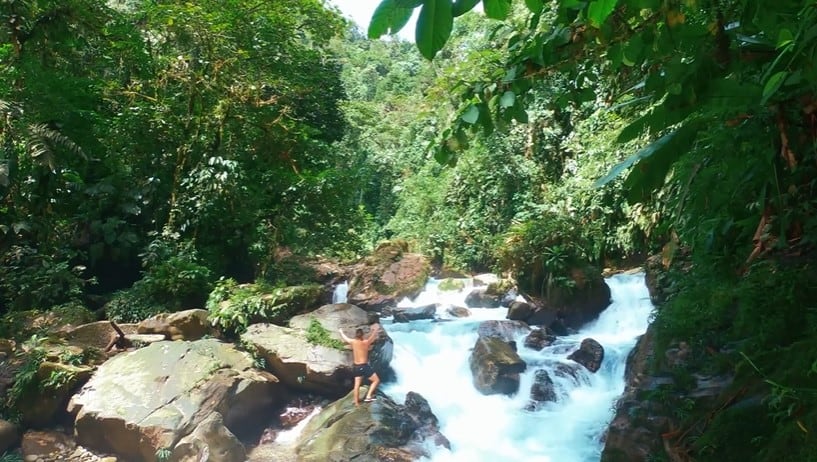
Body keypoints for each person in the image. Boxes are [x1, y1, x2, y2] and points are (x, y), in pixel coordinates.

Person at [338, 323, 381, 406]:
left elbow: (346, 338)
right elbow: (373, 336)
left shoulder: (353, 342)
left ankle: (356, 403)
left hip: (356, 367)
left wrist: (341, 332)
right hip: (364, 366)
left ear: (356, 335)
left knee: (356, 385)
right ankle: (368, 396)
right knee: (376, 380)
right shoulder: (366, 342)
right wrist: (375, 329)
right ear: (362, 335)